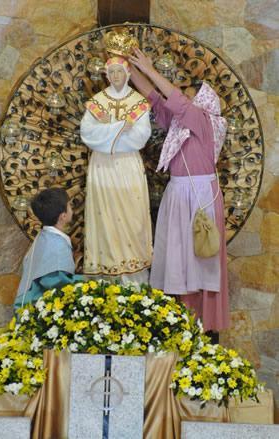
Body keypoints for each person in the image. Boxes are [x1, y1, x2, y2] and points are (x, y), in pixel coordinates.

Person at [129, 49, 229, 334]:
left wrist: (149, 67)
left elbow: (179, 103)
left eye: (191, 95)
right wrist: (128, 68)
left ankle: (204, 325)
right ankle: (178, 322)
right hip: (179, 195)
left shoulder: (206, 122)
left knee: (200, 261)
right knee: (177, 260)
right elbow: (155, 99)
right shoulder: (179, 127)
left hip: (199, 197)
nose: (185, 99)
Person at [80, 56, 152, 284]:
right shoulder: (97, 102)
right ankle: (106, 279)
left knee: (132, 218)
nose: (116, 76)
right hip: (103, 167)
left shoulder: (139, 103)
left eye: (119, 71)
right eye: (111, 72)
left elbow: (141, 137)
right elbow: (87, 133)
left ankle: (134, 279)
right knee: (106, 216)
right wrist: (119, 127)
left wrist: (109, 134)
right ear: (106, 74)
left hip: (128, 166)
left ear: (128, 74)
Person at [14, 188, 82, 309]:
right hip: (34, 310)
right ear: (63, 216)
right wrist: (91, 280)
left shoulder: (44, 237)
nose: (72, 209)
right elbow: (56, 282)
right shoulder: (56, 244)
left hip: (26, 304)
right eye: (69, 206)